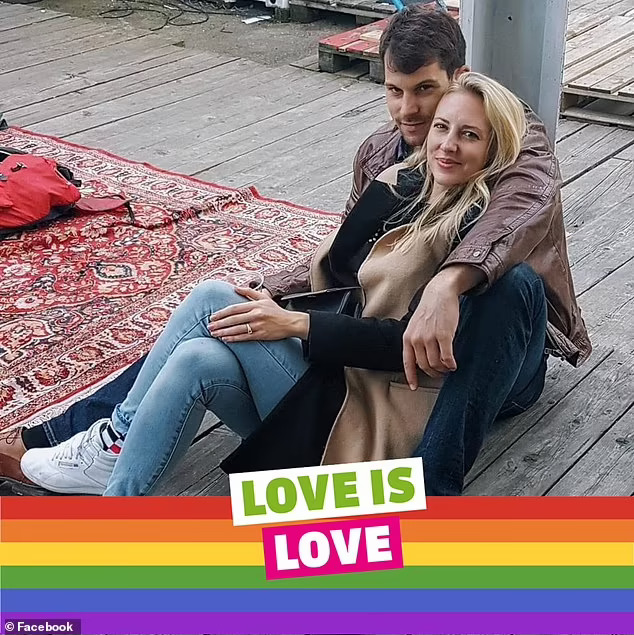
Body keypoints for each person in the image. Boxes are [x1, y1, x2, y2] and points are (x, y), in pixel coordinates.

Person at [1, 5, 590, 495]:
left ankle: (107, 441)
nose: (412, 113)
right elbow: (345, 266)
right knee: (207, 335)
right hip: (365, 370)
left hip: (485, 360)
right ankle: (110, 496)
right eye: (396, 92)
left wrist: (448, 281)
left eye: (427, 94)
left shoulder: (515, 144)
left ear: (458, 80)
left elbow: (516, 215)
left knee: (215, 305)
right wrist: (274, 298)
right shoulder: (391, 158)